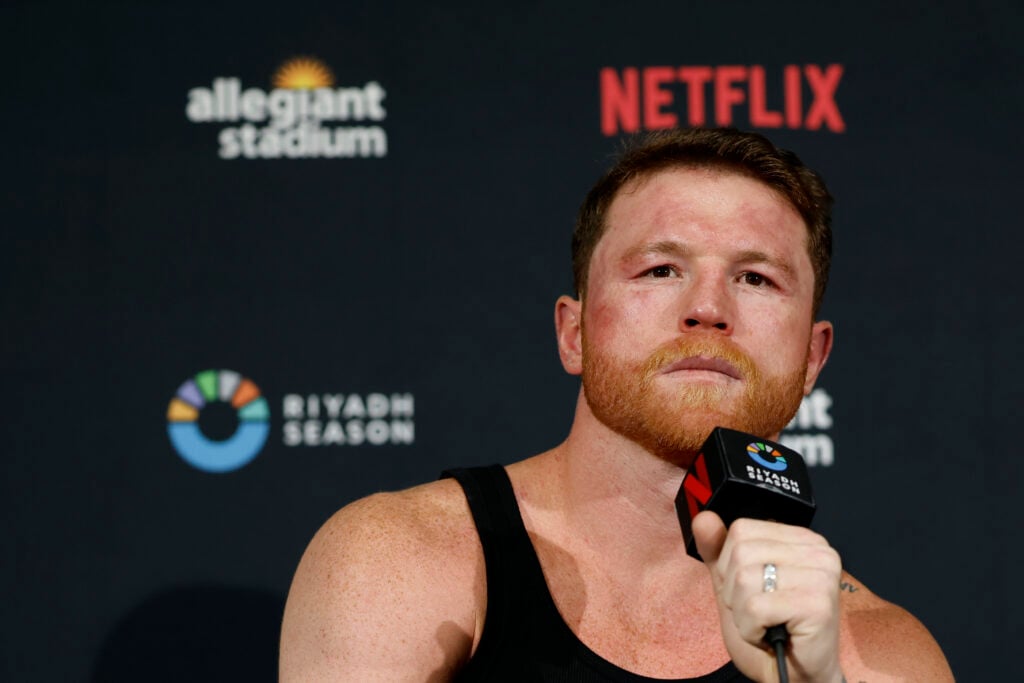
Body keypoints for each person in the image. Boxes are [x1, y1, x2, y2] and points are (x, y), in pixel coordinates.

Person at [279, 128, 954, 682]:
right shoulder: (398, 561)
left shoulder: (885, 658)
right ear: (574, 332)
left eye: (756, 278)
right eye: (660, 269)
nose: (708, 308)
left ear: (812, 359)